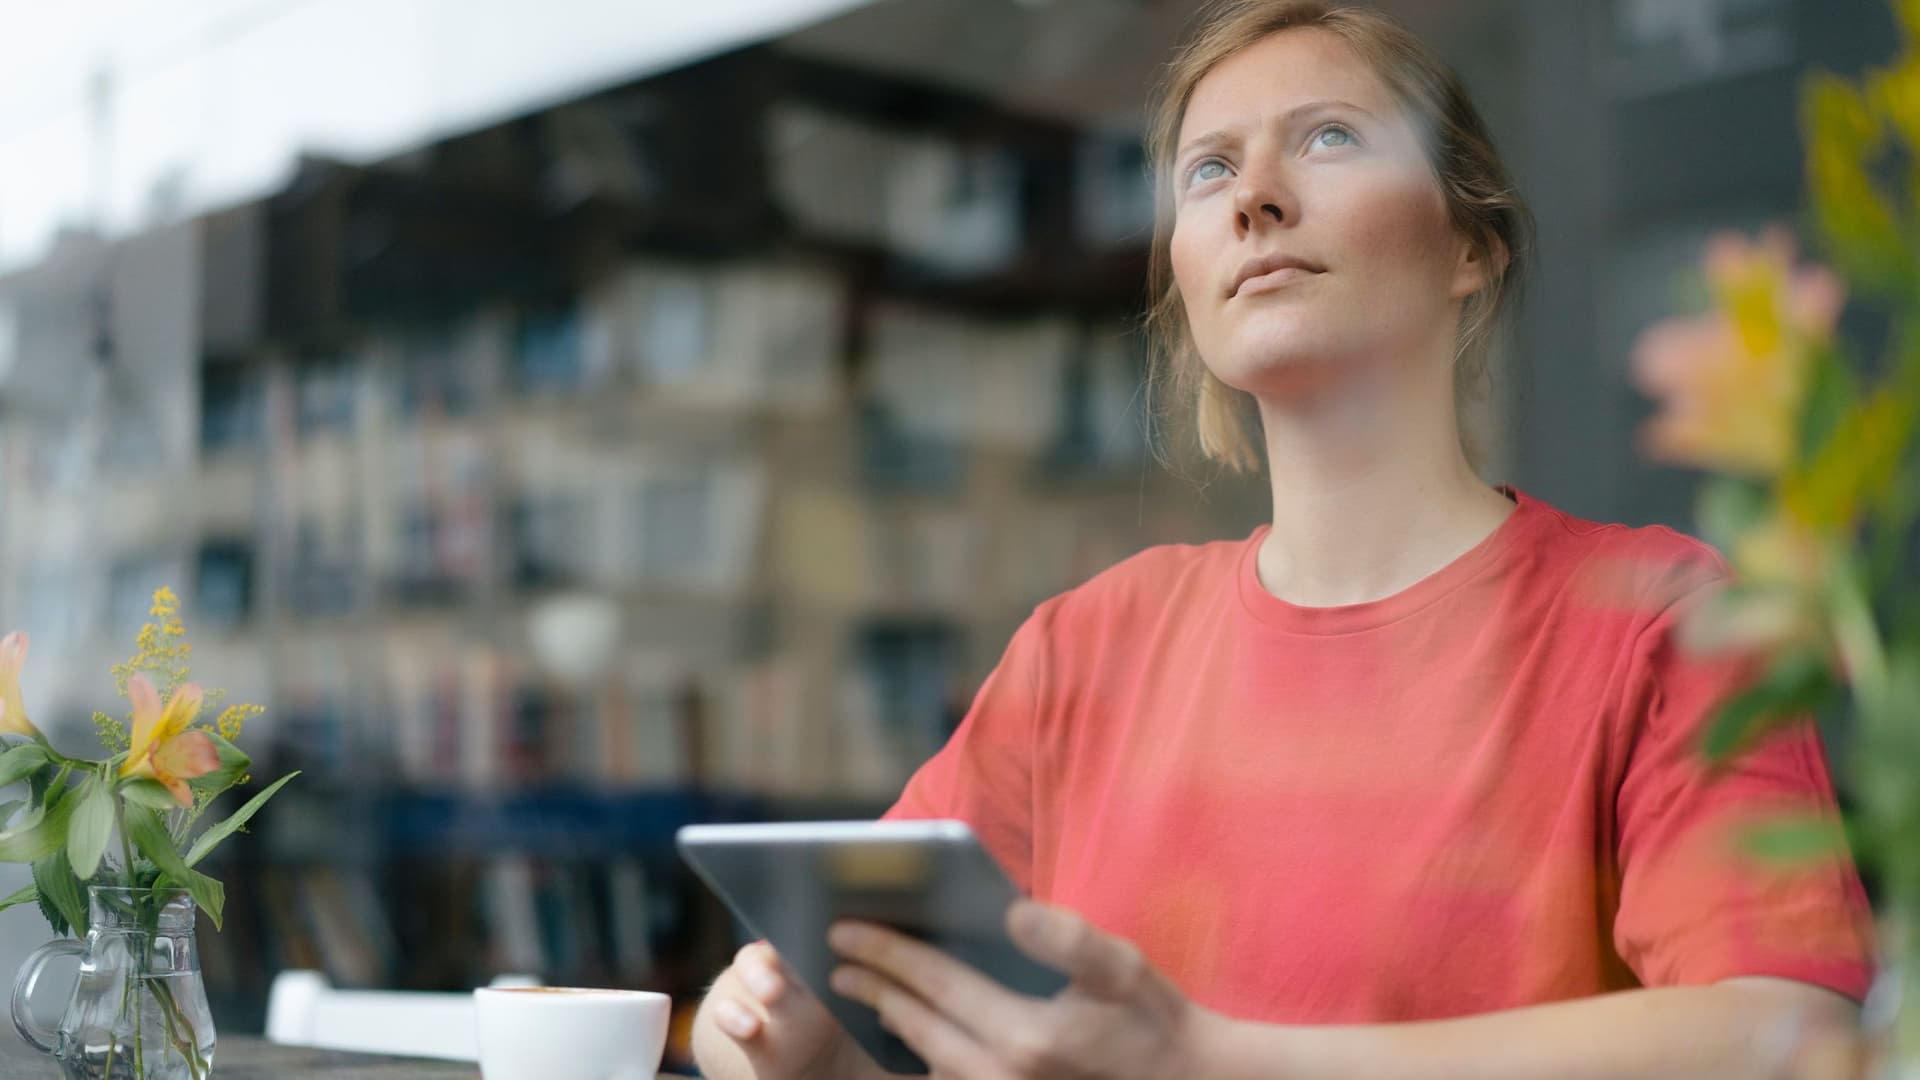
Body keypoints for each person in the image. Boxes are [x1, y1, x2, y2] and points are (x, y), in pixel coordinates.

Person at [691, 1, 1876, 1076]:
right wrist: (812, 1055)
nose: (1253, 196)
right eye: (1207, 170)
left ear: (1472, 248)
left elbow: (1785, 1033)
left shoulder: (1656, 614)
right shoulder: (1083, 648)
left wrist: (1208, 1059)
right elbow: (903, 1012)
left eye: (1328, 138)